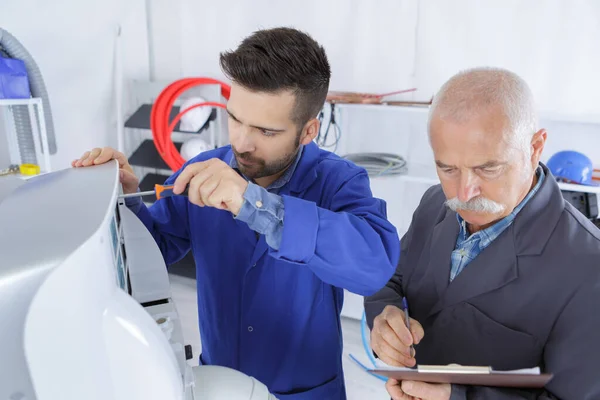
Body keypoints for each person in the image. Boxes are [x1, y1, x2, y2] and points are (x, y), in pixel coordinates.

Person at [73, 27, 400, 399]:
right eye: (235, 118)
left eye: (265, 130)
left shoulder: (338, 181)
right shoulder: (206, 167)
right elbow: (154, 249)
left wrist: (257, 205)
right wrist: (129, 200)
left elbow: (374, 265)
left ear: (308, 130)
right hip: (219, 384)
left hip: (305, 391)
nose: (241, 143)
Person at [364, 67, 600, 400]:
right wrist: (384, 318)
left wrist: (457, 397)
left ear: (535, 148)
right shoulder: (435, 202)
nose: (464, 191)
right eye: (447, 168)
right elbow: (389, 279)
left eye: (488, 168)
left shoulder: (589, 269)